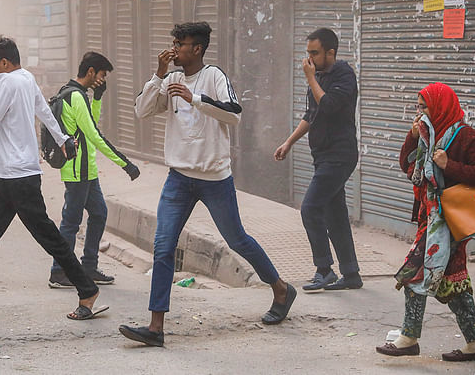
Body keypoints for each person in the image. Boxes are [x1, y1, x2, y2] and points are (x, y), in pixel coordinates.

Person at [120, 22, 296, 347]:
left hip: (214, 178)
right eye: (173, 42)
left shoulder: (214, 77)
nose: (174, 48)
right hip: (178, 179)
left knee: (237, 240)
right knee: (163, 247)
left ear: (197, 49)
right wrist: (158, 75)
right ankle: (155, 327)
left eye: (180, 44)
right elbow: (142, 110)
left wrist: (195, 98)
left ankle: (281, 289)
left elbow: (235, 115)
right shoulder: (170, 78)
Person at [0, 37, 107, 323]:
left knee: (49, 238)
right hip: (5, 178)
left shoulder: (9, 82)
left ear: (4, 63)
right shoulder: (26, 79)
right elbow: (44, 111)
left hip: (18, 178)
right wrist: (62, 139)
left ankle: (87, 290)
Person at [376, 83, 475, 361]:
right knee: (453, 281)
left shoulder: (465, 137)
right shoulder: (429, 135)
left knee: (415, 273)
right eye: (418, 106)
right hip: (431, 219)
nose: (420, 112)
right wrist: (412, 136)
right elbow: (408, 165)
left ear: (440, 107)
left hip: (449, 223)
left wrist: (447, 165)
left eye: (424, 106)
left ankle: (408, 338)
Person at [274, 28, 362, 291]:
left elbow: (329, 105)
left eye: (314, 53)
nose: (309, 58)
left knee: (310, 208)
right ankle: (351, 274)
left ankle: (324, 270)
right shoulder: (319, 76)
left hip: (340, 154)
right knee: (335, 214)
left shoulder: (343, 75)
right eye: (308, 52)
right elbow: (311, 114)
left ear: (330, 53)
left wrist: (312, 79)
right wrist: (289, 142)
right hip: (322, 154)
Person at [48, 52, 141, 289]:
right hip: (77, 169)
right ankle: (59, 271)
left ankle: (89, 266)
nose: (101, 79)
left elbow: (90, 123)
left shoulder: (78, 94)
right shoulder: (75, 96)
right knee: (71, 222)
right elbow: (95, 136)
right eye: (100, 76)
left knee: (99, 213)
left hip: (88, 170)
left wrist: (98, 97)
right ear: (90, 72)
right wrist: (125, 163)